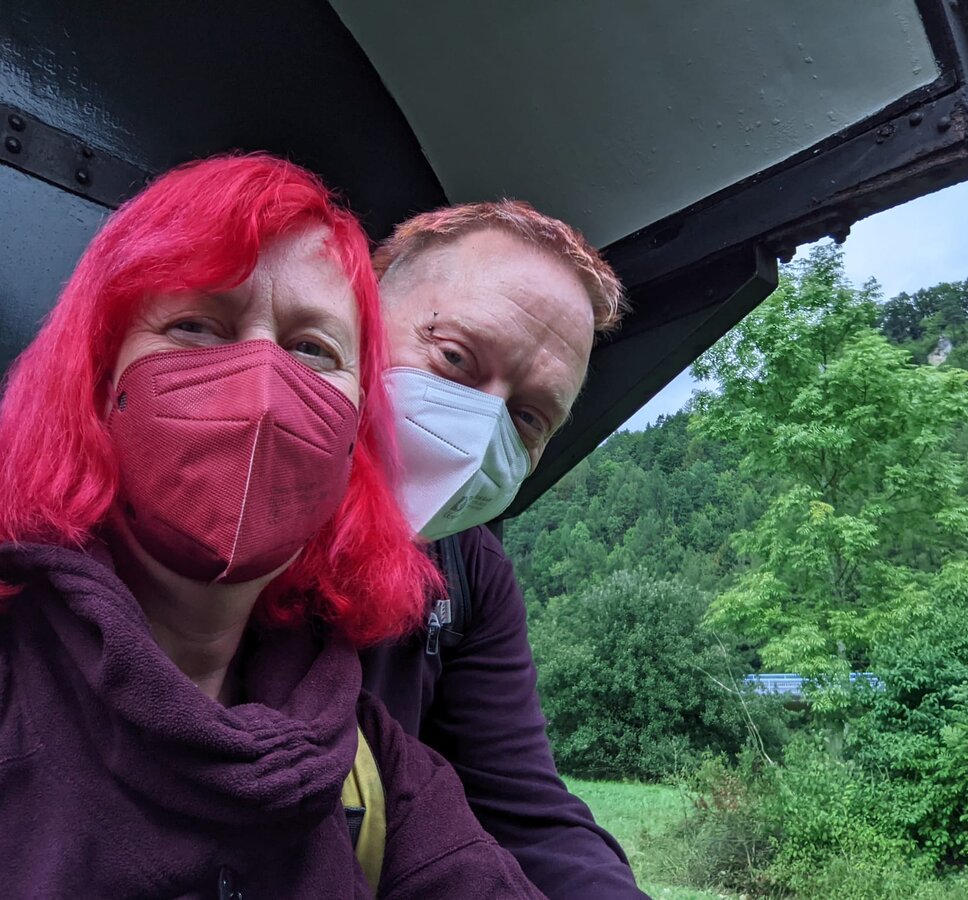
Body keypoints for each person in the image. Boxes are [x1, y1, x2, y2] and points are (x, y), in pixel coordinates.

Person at [0, 156, 544, 899]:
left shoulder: (374, 767)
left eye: (312, 349)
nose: (261, 389)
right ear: (99, 379)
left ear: (357, 432)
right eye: (197, 325)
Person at [360, 202, 650, 899]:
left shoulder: (470, 572)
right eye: (455, 357)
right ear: (359, 319)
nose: (481, 426)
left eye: (528, 416)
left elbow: (524, 811)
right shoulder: (228, 490)